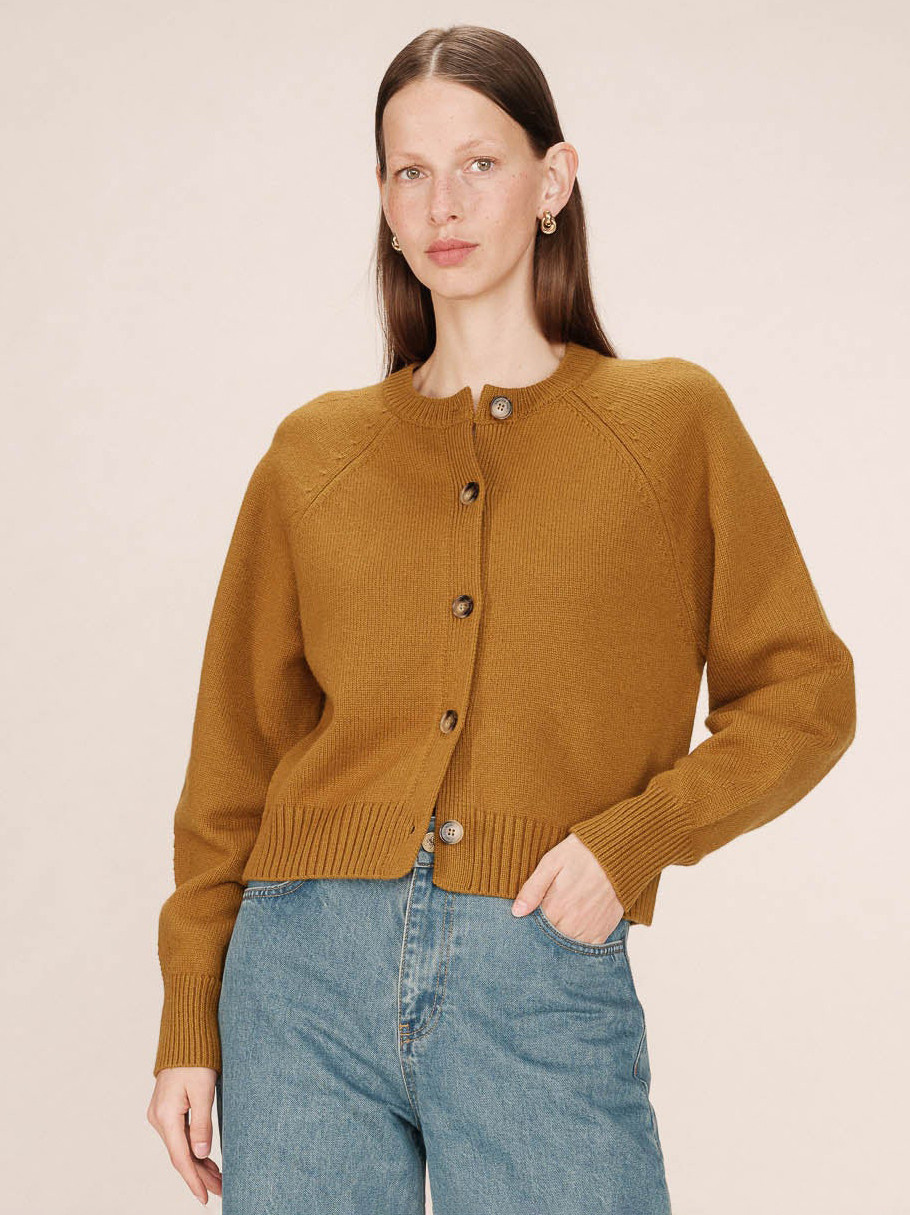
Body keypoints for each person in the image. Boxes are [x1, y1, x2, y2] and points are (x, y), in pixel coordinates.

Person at [146, 24, 856, 1214]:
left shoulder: (667, 425)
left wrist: (631, 842)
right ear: (383, 202)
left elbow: (805, 694)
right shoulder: (314, 453)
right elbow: (233, 764)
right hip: (300, 980)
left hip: (537, 966)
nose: (444, 204)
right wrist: (189, 1018)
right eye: (410, 172)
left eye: (479, 163)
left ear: (553, 181)